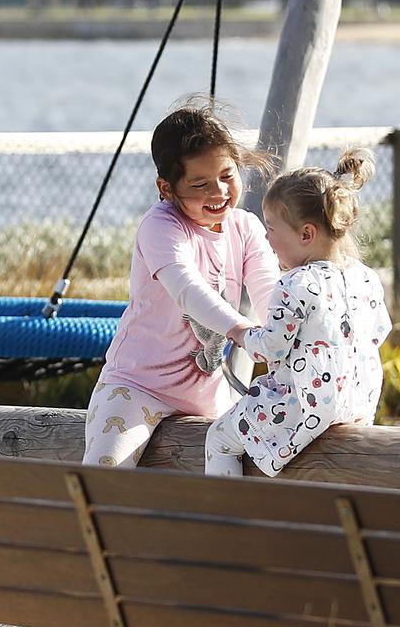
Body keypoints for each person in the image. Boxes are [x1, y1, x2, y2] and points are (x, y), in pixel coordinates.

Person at [85, 101, 279, 470]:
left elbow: (269, 290)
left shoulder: (246, 227)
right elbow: (187, 289)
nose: (219, 191)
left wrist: (279, 335)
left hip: (208, 396)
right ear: (167, 188)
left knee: (253, 466)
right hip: (137, 385)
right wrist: (241, 330)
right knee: (105, 473)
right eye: (200, 184)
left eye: (227, 175)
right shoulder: (160, 226)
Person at [207, 149, 392, 477]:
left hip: (305, 407)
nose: (267, 238)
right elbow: (377, 334)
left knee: (219, 437)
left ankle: (226, 518)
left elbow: (271, 348)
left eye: (272, 229)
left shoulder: (296, 283)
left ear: (306, 234)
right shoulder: (366, 277)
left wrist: (239, 332)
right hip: (357, 405)